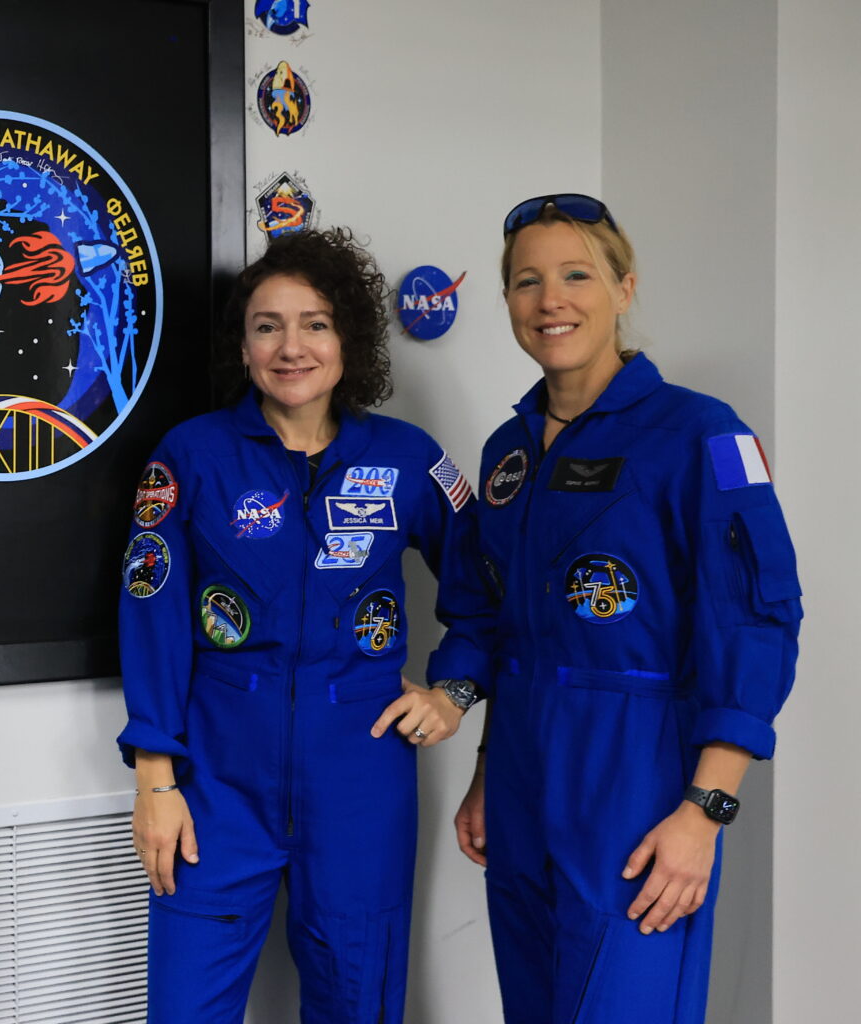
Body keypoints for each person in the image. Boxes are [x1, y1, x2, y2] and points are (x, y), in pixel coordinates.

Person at [120, 228, 493, 1023]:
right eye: (267, 325)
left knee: (359, 1005)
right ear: (243, 344)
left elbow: (487, 587)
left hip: (360, 773)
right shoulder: (192, 456)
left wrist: (455, 690)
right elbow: (148, 617)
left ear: (348, 338)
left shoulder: (406, 458)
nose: (291, 347)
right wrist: (156, 778)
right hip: (216, 779)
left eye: (315, 323)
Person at [450, 195, 801, 1023]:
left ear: (624, 287)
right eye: (526, 281)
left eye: (577, 275)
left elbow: (756, 623)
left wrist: (705, 812)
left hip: (637, 773)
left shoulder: (700, 434)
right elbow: (507, 628)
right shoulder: (507, 453)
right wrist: (485, 774)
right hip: (523, 772)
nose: (550, 300)